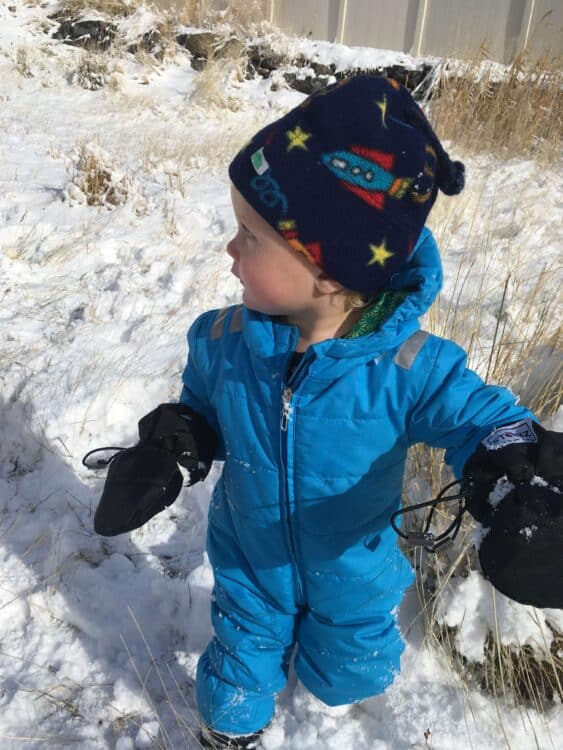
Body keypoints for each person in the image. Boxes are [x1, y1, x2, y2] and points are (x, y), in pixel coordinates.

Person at [91, 76, 562, 749]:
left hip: (354, 567)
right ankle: (230, 733)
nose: (230, 249)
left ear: (328, 271)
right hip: (249, 558)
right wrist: (175, 444)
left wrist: (517, 473)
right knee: (238, 664)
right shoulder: (222, 341)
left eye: (250, 236)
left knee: (350, 675)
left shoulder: (407, 366)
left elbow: (484, 420)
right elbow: (202, 407)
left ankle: (323, 670)